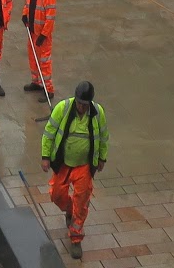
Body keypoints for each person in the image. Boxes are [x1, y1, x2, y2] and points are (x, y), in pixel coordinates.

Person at [40, 81, 109, 259]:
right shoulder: (62, 109)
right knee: (56, 195)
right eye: (79, 103)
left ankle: (76, 237)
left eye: (84, 104)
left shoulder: (97, 113)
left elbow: (103, 136)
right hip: (63, 163)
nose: (81, 107)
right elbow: (49, 133)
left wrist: (102, 158)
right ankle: (68, 209)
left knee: (82, 200)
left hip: (84, 166)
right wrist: (45, 157)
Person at [21, 0, 56, 102]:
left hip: (42, 35)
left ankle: (48, 89)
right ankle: (36, 82)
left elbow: (50, 16)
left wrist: (44, 34)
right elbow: (27, 4)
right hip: (33, 31)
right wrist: (25, 15)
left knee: (44, 61)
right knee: (33, 57)